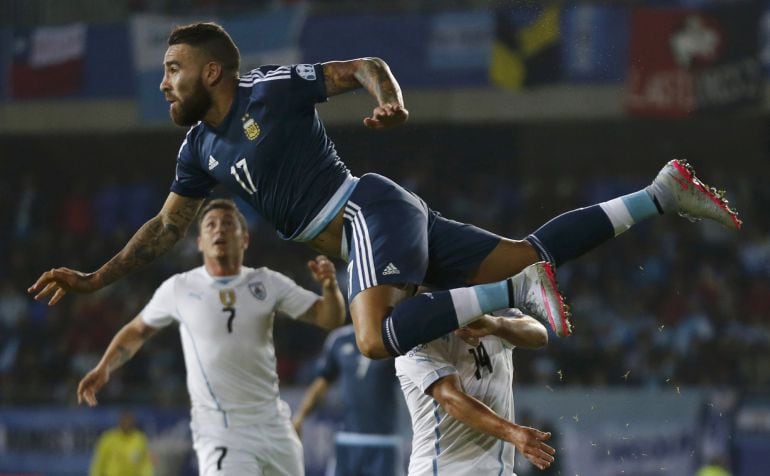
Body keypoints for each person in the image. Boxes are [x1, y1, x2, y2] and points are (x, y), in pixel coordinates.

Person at [29, 22, 742, 361]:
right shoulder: (196, 151)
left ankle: (513, 295)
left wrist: (390, 97)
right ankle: (658, 195)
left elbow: (364, 64)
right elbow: (161, 229)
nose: (164, 82)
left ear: (214, 73)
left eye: (175, 69)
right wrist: (94, 279)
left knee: (370, 341)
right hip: (382, 224)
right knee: (526, 253)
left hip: (366, 210)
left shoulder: (269, 92)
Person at [77, 198, 346, 476]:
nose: (219, 230)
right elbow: (137, 330)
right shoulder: (179, 288)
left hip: (274, 426)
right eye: (211, 225)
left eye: (228, 224)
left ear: (245, 239)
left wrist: (329, 288)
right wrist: (104, 366)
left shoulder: (266, 282)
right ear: (199, 242)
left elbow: (329, 317)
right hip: (222, 430)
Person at [395, 309, 554, 475]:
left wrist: (497, 325)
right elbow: (451, 399)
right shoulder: (414, 334)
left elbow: (540, 335)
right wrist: (513, 432)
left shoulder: (492, 312)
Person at [292, 324, 404, 476]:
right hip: (347, 440)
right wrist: (300, 417)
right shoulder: (339, 339)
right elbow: (323, 382)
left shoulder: (395, 336)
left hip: (384, 441)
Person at [89, 410, 154, 476]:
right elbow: (98, 463)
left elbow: (146, 464)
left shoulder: (140, 439)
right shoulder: (108, 439)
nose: (126, 423)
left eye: (129, 420)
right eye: (124, 420)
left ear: (133, 422)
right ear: (120, 421)